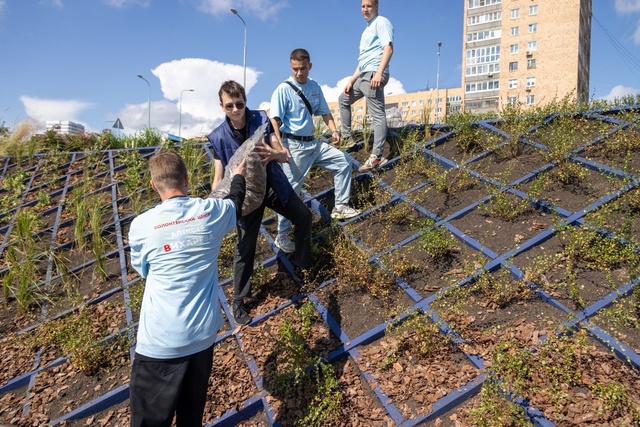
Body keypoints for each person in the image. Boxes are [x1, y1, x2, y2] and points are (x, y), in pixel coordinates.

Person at [128, 150, 246, 427]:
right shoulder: (210, 212)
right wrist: (238, 176)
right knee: (190, 418)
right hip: (202, 337)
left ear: (153, 184)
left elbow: (142, 270)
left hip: (160, 344)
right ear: (187, 178)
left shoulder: (141, 226)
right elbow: (235, 201)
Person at [207, 80, 312, 326]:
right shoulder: (217, 138)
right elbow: (218, 177)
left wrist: (274, 154)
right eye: (230, 105)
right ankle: (239, 301)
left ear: (246, 101)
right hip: (245, 195)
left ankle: (303, 268)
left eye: (240, 104)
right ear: (221, 106)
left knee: (304, 216)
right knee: (245, 246)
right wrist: (213, 206)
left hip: (272, 185)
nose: (236, 110)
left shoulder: (260, 120)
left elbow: (283, 154)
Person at [270, 48, 361, 247]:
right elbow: (274, 121)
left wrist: (334, 130)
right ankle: (282, 235)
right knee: (291, 191)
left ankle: (341, 206)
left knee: (343, 162)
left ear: (310, 66)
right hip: (293, 146)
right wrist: (279, 147)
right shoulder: (284, 89)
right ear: (290, 67)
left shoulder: (314, 87)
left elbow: (325, 113)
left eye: (302, 68)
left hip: (313, 143)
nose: (298, 73)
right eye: (295, 69)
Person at [339, 0, 394, 171]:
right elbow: (362, 60)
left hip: (373, 75)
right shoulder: (366, 30)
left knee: (377, 114)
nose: (365, 9)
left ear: (376, 6)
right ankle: (348, 138)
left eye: (369, 6)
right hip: (362, 75)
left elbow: (388, 48)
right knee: (343, 100)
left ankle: (376, 156)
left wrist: (378, 73)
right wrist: (351, 80)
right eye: (363, 6)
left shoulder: (381, 22)